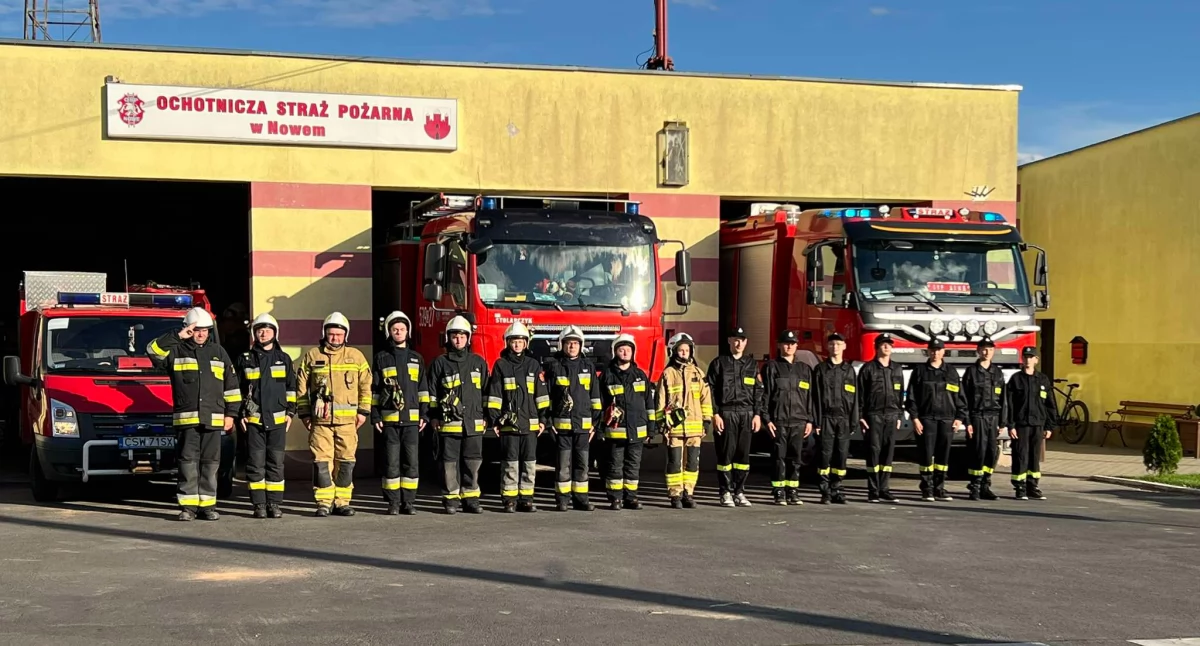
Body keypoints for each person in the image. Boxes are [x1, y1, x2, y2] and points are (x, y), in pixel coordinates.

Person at [146, 307, 240, 521]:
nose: (201, 334)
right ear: (188, 329)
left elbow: (232, 386)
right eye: (196, 330)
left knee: (211, 463)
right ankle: (188, 507)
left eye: (205, 330)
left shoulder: (219, 352)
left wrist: (231, 414)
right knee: (187, 462)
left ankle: (208, 506)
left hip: (214, 419)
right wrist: (177, 336)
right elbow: (152, 351)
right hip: (187, 420)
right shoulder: (176, 350)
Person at [296, 312, 373, 517]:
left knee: (346, 462)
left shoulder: (356, 356)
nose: (335, 338)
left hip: (348, 423)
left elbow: (366, 386)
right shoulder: (313, 356)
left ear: (345, 335)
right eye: (331, 334)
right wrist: (304, 414)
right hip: (320, 422)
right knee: (322, 462)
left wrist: (363, 412)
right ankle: (323, 502)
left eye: (339, 335)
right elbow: (301, 388)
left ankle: (342, 502)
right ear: (324, 334)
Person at [234, 313, 297, 519]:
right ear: (254, 334)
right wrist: (239, 414)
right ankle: (259, 504)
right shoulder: (245, 359)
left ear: (275, 333)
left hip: (278, 422)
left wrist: (290, 412)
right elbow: (237, 390)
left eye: (267, 329)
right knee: (255, 463)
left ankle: (275, 504)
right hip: (253, 422)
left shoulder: (284, 359)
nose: (263, 333)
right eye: (259, 330)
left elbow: (291, 389)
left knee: (276, 463)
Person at [427, 315, 490, 514]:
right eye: (455, 336)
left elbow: (487, 393)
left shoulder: (478, 362)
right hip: (449, 423)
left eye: (462, 336)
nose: (458, 340)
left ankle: (471, 498)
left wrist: (488, 416)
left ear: (468, 338)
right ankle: (451, 499)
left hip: (474, 423)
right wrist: (434, 416)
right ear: (449, 338)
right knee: (449, 463)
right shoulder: (440, 363)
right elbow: (432, 393)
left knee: (472, 461)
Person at [485, 322, 550, 513]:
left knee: (530, 463)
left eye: (521, 341)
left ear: (526, 343)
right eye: (514, 341)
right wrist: (495, 419)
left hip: (530, 425)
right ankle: (509, 499)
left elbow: (542, 396)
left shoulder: (533, 365)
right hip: (508, 424)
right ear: (508, 343)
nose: (517, 344)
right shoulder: (501, 365)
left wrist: (543, 420)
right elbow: (495, 394)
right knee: (510, 463)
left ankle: (526, 499)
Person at [371, 311, 429, 515]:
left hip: (412, 422)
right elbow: (375, 390)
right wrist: (376, 415)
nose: (398, 332)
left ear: (408, 332)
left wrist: (424, 415)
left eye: (402, 329)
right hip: (389, 422)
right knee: (391, 463)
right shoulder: (381, 358)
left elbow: (423, 389)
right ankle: (393, 502)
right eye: (395, 329)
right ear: (389, 332)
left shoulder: (417, 358)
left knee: (411, 463)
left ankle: (409, 502)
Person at [544, 325, 602, 512]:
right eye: (569, 343)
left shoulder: (588, 367)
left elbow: (595, 397)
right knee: (562, 466)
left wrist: (595, 423)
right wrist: (549, 422)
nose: (572, 347)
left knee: (582, 465)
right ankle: (562, 499)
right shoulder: (554, 367)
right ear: (562, 345)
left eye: (575, 344)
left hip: (584, 427)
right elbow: (547, 397)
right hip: (561, 427)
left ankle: (581, 499)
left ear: (581, 346)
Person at [705, 326, 763, 507]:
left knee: (743, 457)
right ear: (729, 341)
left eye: (742, 340)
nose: (738, 343)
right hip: (726, 413)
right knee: (725, 456)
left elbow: (758, 392)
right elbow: (710, 391)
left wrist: (757, 415)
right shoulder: (718, 363)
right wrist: (715, 414)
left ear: (746, 343)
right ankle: (725, 492)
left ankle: (739, 491)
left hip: (746, 414)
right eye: (735, 340)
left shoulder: (752, 365)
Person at [599, 333, 656, 510]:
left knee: (633, 467)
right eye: (621, 349)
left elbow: (649, 404)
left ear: (633, 352)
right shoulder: (607, 376)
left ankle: (631, 497)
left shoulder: (640, 375)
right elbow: (599, 404)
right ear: (615, 352)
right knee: (615, 467)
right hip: (615, 433)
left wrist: (651, 429)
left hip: (637, 432)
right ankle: (615, 498)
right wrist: (600, 429)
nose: (625, 353)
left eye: (628, 350)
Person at [905, 338, 967, 502]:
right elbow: (911, 397)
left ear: (943, 351)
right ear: (928, 351)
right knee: (926, 455)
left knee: (943, 457)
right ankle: (927, 488)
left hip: (947, 419)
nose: (935, 353)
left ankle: (939, 488)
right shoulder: (920, 371)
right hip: (926, 419)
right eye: (932, 350)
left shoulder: (951, 372)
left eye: (938, 350)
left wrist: (959, 417)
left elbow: (959, 396)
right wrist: (915, 418)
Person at [657, 332, 713, 509]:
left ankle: (688, 493)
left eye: (686, 350)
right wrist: (661, 424)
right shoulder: (668, 373)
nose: (683, 353)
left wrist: (706, 421)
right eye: (680, 350)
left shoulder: (698, 373)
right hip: (674, 429)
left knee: (692, 463)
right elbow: (660, 401)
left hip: (695, 430)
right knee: (674, 463)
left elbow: (706, 399)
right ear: (673, 351)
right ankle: (675, 495)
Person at [760, 329, 815, 506]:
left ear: (797, 346)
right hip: (779, 421)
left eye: (792, 343)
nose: (789, 346)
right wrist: (766, 420)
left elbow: (809, 397)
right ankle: (778, 492)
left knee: (795, 459)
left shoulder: (804, 369)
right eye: (786, 343)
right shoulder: (771, 367)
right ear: (779, 345)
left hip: (799, 421)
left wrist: (810, 420)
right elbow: (765, 395)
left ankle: (793, 491)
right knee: (778, 458)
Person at [856, 334, 904, 503]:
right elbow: (860, 395)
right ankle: (873, 490)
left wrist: (899, 414)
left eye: (889, 345)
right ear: (876, 347)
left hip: (891, 416)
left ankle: (885, 488)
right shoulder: (868, 369)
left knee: (888, 454)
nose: (886, 347)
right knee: (873, 453)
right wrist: (861, 416)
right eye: (883, 344)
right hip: (873, 416)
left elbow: (899, 394)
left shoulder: (897, 369)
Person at [813, 333, 859, 505]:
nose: (835, 347)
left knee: (841, 455)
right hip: (826, 419)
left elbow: (855, 398)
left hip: (844, 419)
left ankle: (838, 490)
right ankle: (825, 492)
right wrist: (816, 421)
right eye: (832, 344)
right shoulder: (820, 370)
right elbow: (815, 397)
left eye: (838, 344)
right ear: (828, 347)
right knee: (824, 456)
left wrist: (853, 421)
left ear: (844, 346)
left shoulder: (849, 371)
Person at [1005, 346, 1056, 501]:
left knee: (1034, 456)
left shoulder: (1042, 379)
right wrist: (1011, 425)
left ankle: (1032, 486)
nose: (1028, 360)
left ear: (1036, 360)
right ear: (1022, 359)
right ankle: (1019, 487)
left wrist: (1049, 426)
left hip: (1037, 424)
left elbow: (1050, 403)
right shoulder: (1016, 379)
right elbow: (1009, 404)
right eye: (1025, 357)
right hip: (1021, 424)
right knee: (1020, 455)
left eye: (1031, 357)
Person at [962, 337, 1008, 501]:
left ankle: (985, 485)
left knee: (991, 452)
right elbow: (964, 398)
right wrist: (967, 422)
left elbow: (1003, 398)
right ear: (978, 351)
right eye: (984, 349)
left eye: (990, 349)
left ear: (993, 351)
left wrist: (1003, 421)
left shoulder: (997, 372)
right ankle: (974, 486)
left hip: (993, 417)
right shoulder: (971, 372)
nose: (987, 352)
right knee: (977, 452)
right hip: (977, 416)